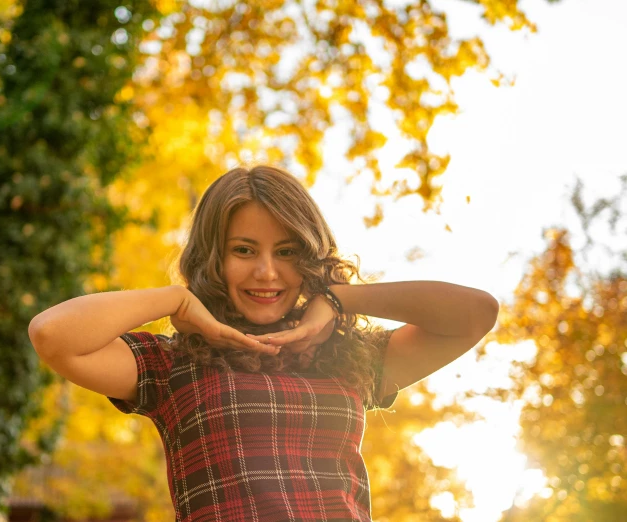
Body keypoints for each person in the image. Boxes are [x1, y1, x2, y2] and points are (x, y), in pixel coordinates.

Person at [28, 165, 500, 521]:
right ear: (214, 258)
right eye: (244, 250)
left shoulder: (350, 356)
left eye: (287, 252)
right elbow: (53, 335)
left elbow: (476, 314)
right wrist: (176, 299)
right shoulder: (173, 364)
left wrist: (336, 298)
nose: (266, 272)